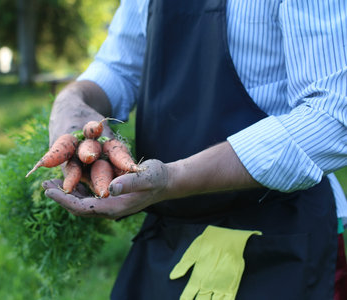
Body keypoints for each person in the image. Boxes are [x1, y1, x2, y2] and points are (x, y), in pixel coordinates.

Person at [42, 0, 347, 299]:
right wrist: (72, 101)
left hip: (279, 239)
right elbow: (119, 67)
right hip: (170, 234)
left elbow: (332, 117)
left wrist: (175, 177)